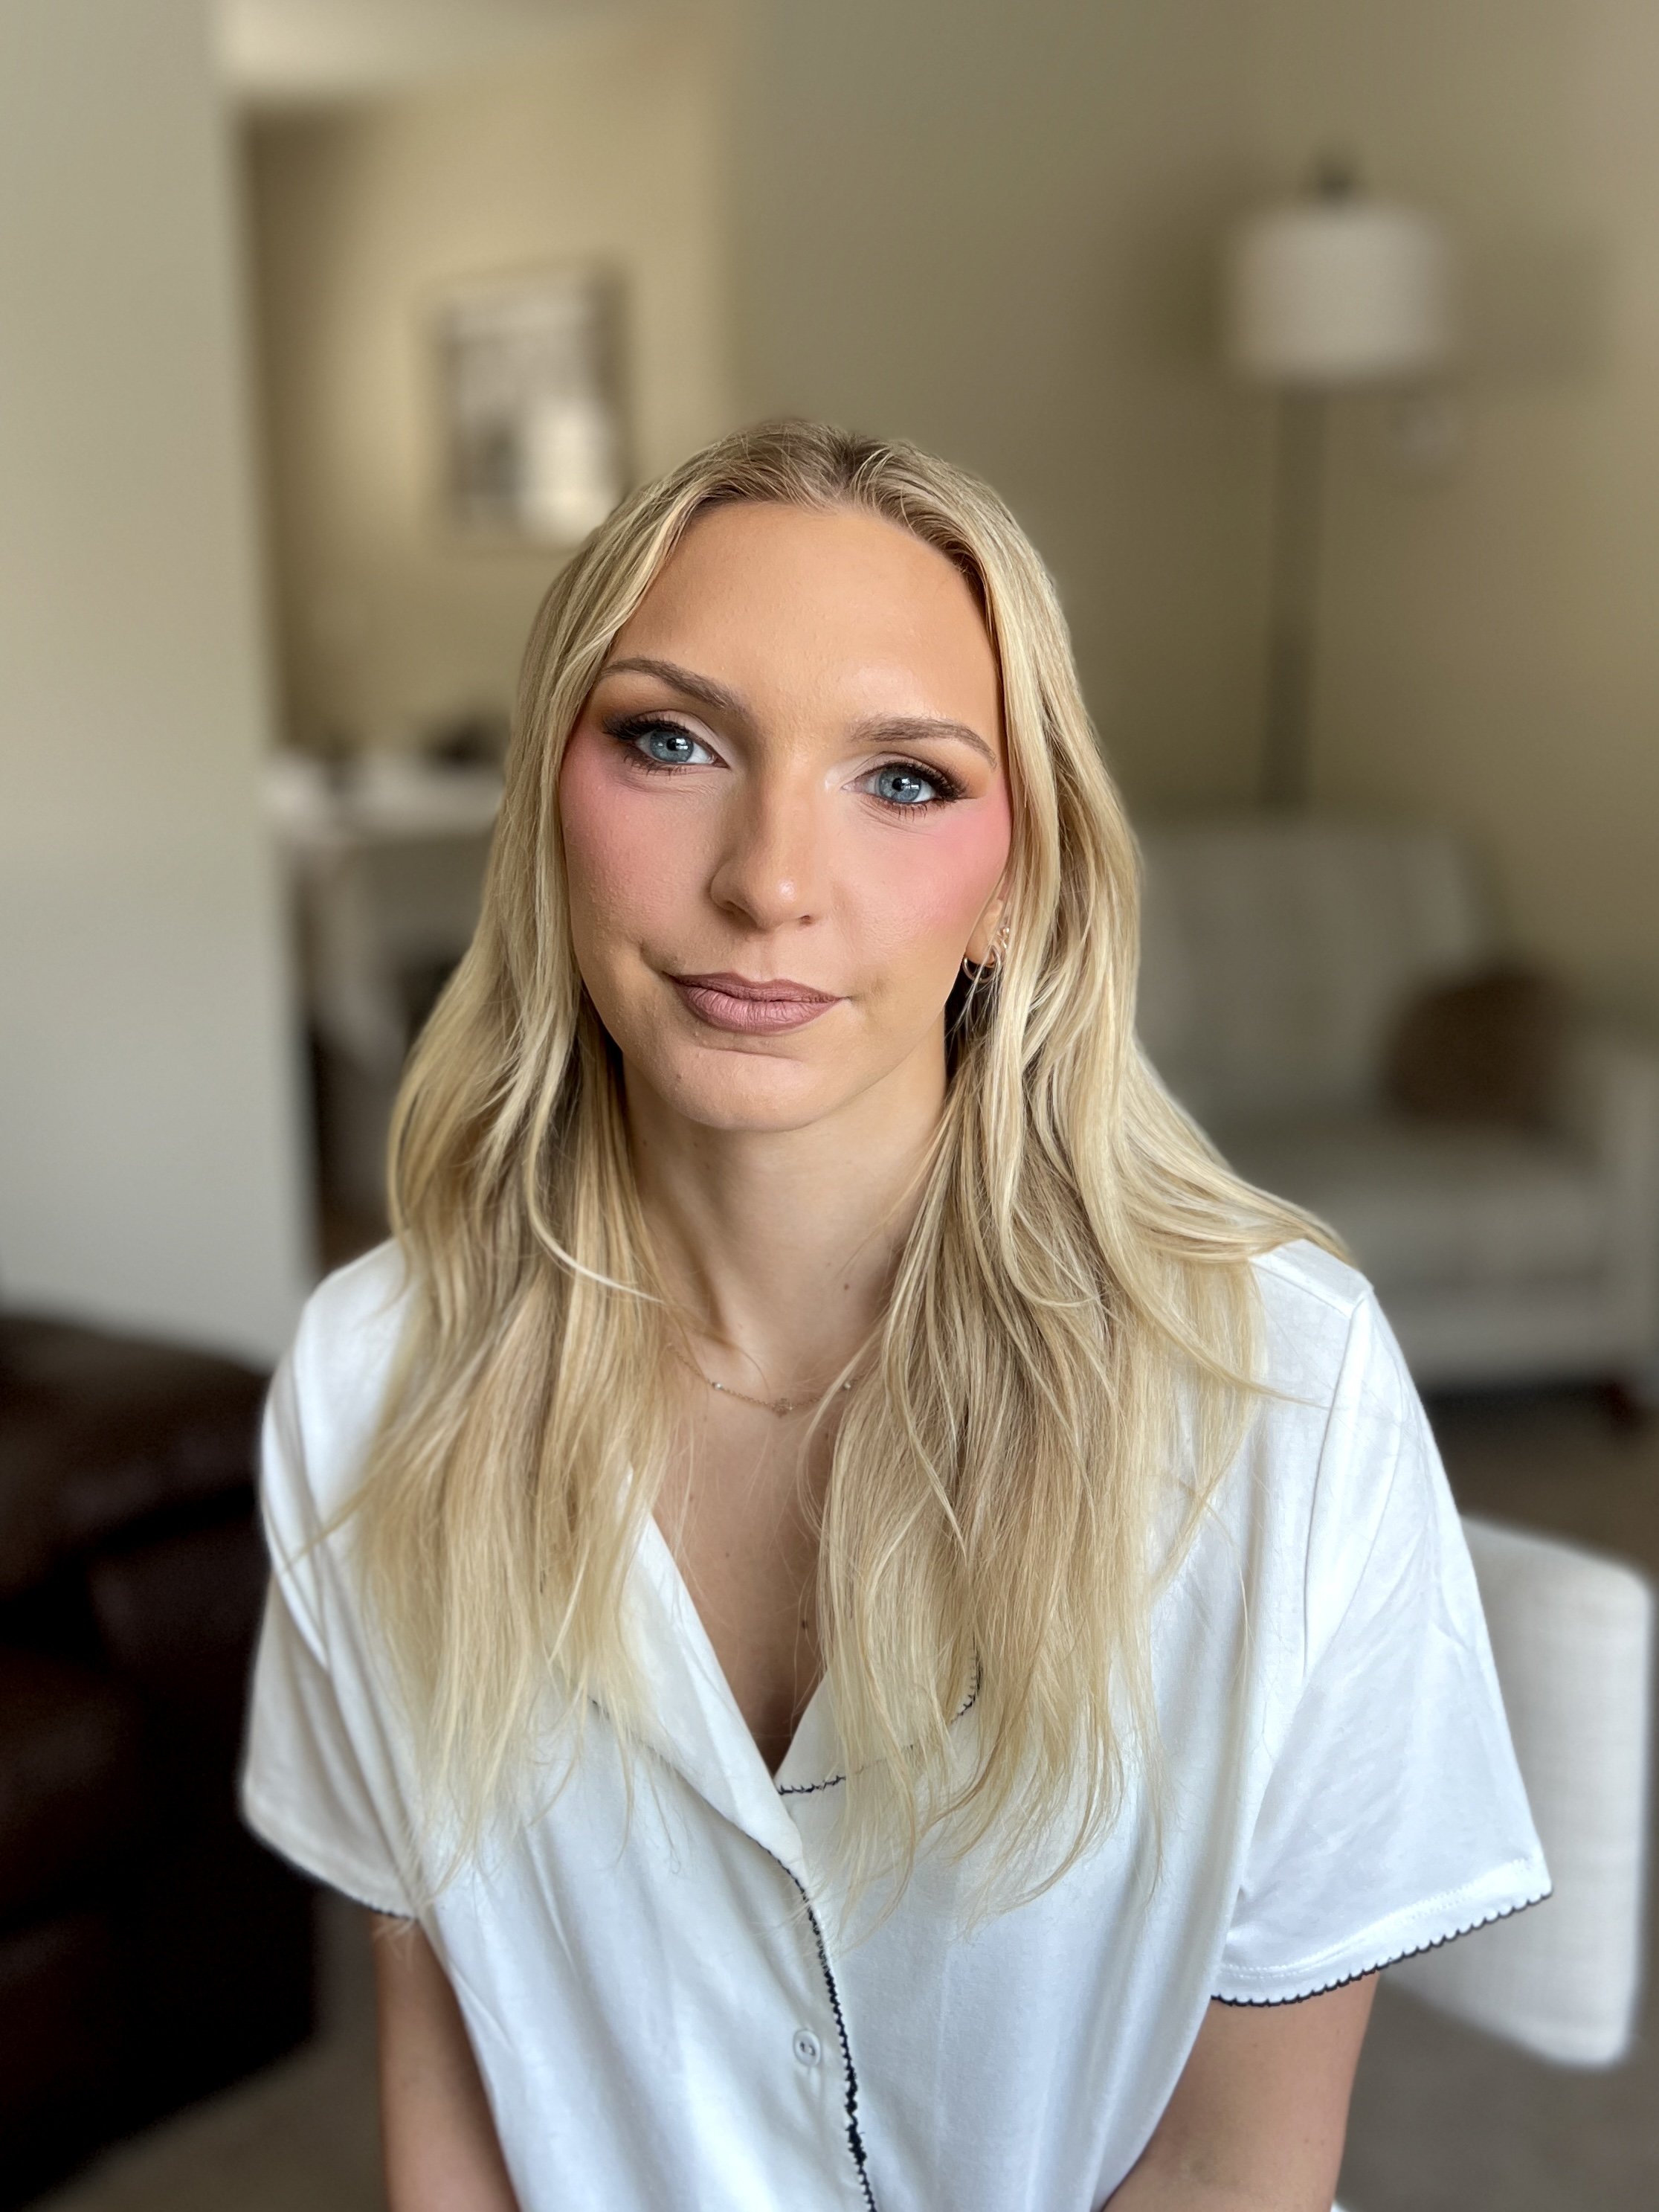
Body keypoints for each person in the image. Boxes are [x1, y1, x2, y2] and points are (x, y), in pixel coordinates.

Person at [242, 421, 1546, 2212]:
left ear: (1017, 876)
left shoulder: (1279, 1396)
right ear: (549, 799)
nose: (770, 878)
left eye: (906, 778)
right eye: (670, 739)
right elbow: (450, 2077)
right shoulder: (367, 1384)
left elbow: (1235, 2163)